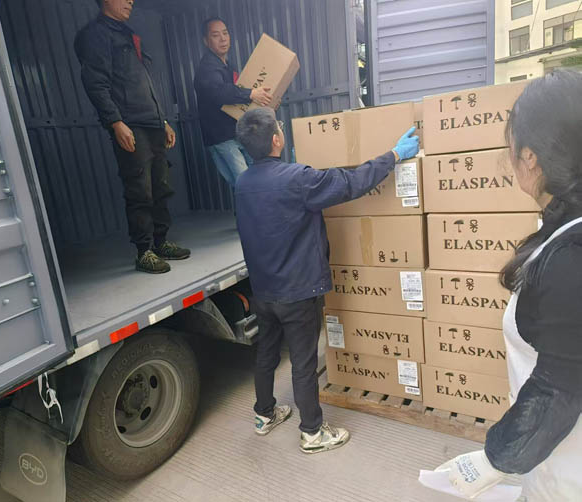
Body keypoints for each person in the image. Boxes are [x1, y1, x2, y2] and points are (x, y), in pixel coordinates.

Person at [234, 108, 419, 453]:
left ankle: (264, 414)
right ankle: (312, 433)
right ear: (276, 140)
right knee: (304, 363)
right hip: (297, 291)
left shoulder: (242, 183)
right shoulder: (297, 179)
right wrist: (394, 155)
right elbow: (350, 183)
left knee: (267, 353)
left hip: (263, 289)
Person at [434, 70, 582, 501]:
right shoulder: (562, 231)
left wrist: (495, 458)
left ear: (530, 157)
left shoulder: (570, 257)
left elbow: (560, 388)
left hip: (569, 471)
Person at [75, 0, 190, 274]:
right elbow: (95, 83)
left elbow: (144, 83)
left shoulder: (128, 33)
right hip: (130, 124)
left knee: (161, 185)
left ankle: (161, 242)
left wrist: (163, 120)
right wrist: (116, 122)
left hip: (151, 122)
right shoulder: (96, 35)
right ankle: (144, 251)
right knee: (140, 189)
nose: (130, 1)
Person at [194, 18, 274, 188]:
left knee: (254, 178)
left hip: (237, 132)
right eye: (216, 35)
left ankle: (257, 205)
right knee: (244, 183)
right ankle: (252, 206)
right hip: (221, 137)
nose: (223, 39)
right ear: (206, 41)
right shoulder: (207, 68)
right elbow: (220, 92)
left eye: (225, 33)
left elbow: (236, 95)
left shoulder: (228, 66)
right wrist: (251, 94)